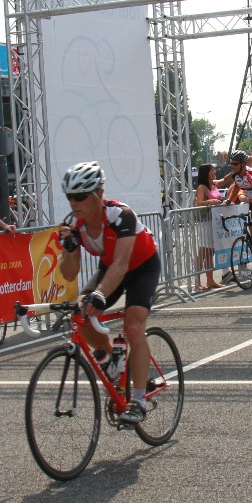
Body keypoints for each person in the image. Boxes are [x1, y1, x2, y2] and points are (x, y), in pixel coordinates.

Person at [56, 162, 161, 425]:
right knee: (80, 314)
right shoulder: (73, 224)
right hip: (110, 267)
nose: (74, 202)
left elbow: (122, 264)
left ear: (98, 194)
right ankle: (114, 366)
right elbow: (69, 273)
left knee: (133, 325)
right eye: (70, 196)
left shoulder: (120, 215)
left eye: (80, 196)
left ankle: (138, 400)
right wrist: (69, 249)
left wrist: (100, 294)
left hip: (142, 266)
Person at [214, 150, 252, 250]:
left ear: (243, 164)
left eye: (235, 164)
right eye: (231, 163)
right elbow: (232, 185)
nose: (232, 166)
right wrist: (229, 199)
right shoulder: (235, 174)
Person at [193, 164, 225, 291]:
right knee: (203, 252)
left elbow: (224, 180)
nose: (214, 171)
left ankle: (210, 280)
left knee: (210, 252)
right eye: (212, 170)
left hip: (213, 221)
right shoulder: (202, 187)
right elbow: (198, 202)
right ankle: (197, 281)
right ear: (206, 173)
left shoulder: (213, 185)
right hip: (205, 222)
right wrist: (210, 202)